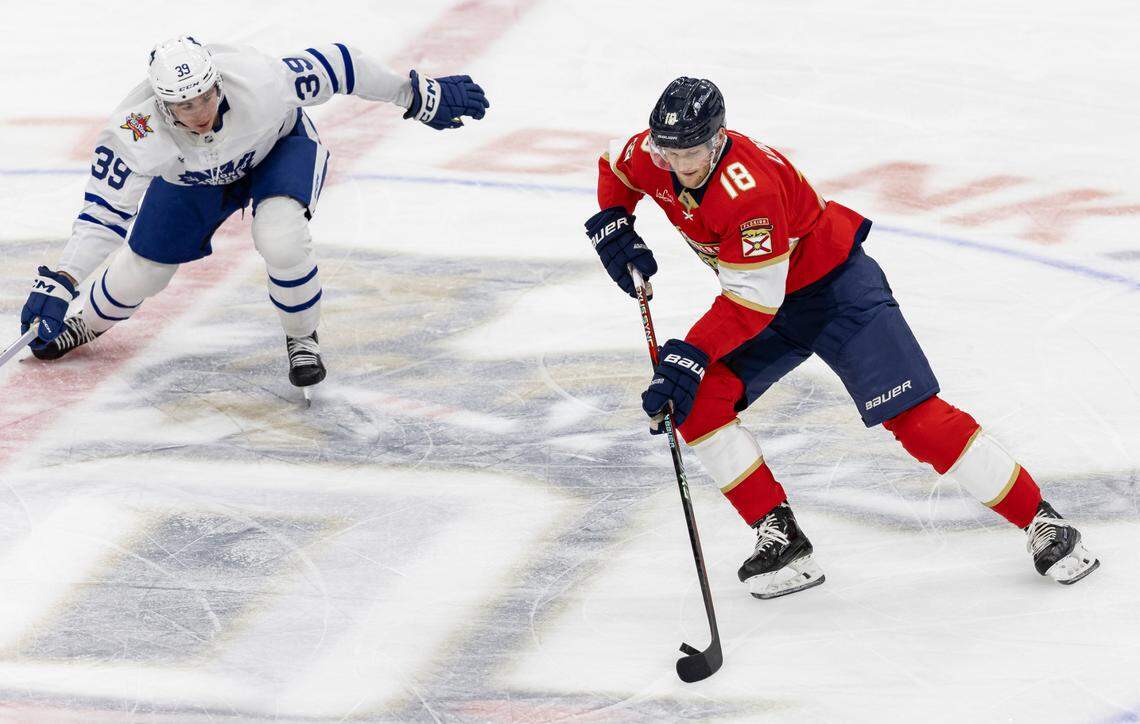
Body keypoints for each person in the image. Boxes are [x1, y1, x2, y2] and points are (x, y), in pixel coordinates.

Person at [585, 77, 1099, 598]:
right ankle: (782, 539)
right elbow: (615, 166)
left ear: (717, 140)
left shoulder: (750, 190)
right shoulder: (657, 152)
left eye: (691, 152)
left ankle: (1041, 520)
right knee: (699, 402)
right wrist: (613, 221)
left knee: (915, 419)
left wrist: (691, 354)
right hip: (766, 295)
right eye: (667, 151)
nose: (677, 164)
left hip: (835, 294)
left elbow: (751, 303)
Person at [19, 36, 488, 388]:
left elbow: (341, 64)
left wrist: (414, 94)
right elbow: (103, 212)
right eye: (183, 105)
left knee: (280, 235)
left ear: (218, 82)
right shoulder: (134, 132)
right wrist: (61, 280)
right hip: (192, 178)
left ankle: (302, 337)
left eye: (205, 96)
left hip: (276, 149)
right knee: (143, 272)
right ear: (161, 106)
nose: (199, 112)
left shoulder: (262, 81)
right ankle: (86, 323)